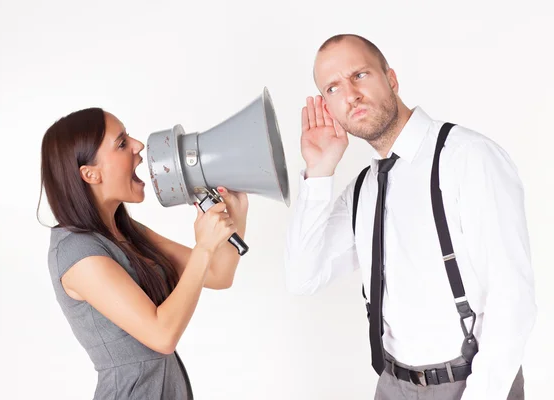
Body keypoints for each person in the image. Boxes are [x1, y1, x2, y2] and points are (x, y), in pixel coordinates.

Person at [284, 34, 536, 400]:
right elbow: (302, 278)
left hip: (473, 383)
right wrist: (319, 171)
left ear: (392, 78)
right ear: (328, 106)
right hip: (391, 384)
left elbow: (513, 298)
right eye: (333, 88)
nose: (350, 94)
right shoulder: (363, 189)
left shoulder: (467, 157)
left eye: (359, 75)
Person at [39, 107, 248, 399]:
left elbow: (218, 274)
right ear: (90, 174)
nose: (138, 146)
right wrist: (203, 247)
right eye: (122, 143)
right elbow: (162, 336)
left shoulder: (125, 231)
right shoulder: (78, 253)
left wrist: (237, 214)